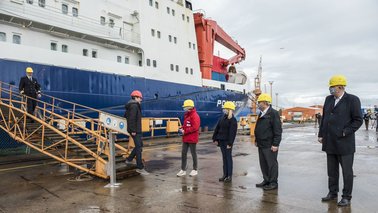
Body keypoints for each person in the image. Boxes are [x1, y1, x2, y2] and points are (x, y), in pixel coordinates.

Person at [318, 75, 363, 207]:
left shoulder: (352, 100)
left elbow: (358, 120)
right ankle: (332, 193)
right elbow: (325, 118)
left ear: (340, 87)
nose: (330, 89)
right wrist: (321, 134)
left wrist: (345, 131)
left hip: (345, 143)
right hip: (330, 141)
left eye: (332, 87)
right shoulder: (328, 99)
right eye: (330, 87)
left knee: (347, 172)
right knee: (332, 171)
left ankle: (346, 196)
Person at [254, 93, 282, 191]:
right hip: (261, 144)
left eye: (259, 102)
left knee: (271, 164)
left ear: (265, 103)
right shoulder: (261, 113)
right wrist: (256, 140)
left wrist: (275, 144)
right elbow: (258, 128)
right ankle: (266, 180)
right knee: (263, 164)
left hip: (270, 144)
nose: (258, 104)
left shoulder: (273, 113)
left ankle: (273, 182)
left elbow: (278, 130)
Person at [124, 90, 149, 175]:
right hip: (135, 130)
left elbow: (126, 116)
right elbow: (131, 119)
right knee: (138, 148)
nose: (141, 100)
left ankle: (129, 159)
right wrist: (133, 130)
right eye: (140, 98)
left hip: (136, 130)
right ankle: (139, 167)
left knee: (140, 146)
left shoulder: (132, 105)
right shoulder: (134, 106)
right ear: (135, 97)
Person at [212, 101, 238, 183]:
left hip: (227, 142)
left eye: (225, 109)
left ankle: (229, 176)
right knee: (224, 158)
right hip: (221, 141)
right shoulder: (222, 118)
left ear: (229, 109)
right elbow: (217, 128)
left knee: (228, 158)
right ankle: (225, 175)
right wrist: (215, 138)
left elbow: (232, 133)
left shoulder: (233, 120)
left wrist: (230, 143)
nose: (224, 110)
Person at [176, 99, 201, 177]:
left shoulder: (195, 116)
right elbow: (186, 124)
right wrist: (181, 128)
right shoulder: (187, 115)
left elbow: (195, 127)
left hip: (192, 138)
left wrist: (184, 131)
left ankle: (195, 169)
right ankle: (183, 169)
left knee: (193, 154)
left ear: (189, 107)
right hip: (186, 138)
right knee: (183, 153)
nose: (184, 108)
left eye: (185, 107)